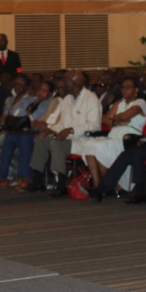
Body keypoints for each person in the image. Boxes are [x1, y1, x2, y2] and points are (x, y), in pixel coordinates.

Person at [27, 70, 101, 198]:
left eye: (65, 81)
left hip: (83, 139)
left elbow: (94, 125)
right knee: (42, 140)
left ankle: (61, 184)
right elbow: (61, 123)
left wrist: (71, 130)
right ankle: (38, 180)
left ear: (74, 83)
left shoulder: (91, 99)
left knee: (57, 144)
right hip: (66, 137)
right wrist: (50, 130)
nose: (61, 84)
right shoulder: (67, 99)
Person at [0, 80, 56, 190]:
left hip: (39, 130)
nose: (40, 93)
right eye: (40, 90)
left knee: (24, 138)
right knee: (9, 137)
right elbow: (16, 109)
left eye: (45, 91)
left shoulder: (48, 103)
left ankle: (26, 178)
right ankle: (2, 177)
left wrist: (24, 117)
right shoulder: (33, 100)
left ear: (50, 93)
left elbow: (33, 118)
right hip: (25, 129)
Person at [79, 78, 146, 188]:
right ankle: (98, 186)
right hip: (114, 134)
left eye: (128, 87)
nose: (125, 90)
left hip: (128, 139)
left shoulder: (140, 102)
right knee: (89, 145)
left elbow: (126, 116)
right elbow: (105, 119)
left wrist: (115, 117)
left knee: (99, 146)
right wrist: (116, 122)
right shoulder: (119, 103)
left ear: (136, 90)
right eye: (123, 87)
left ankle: (109, 184)